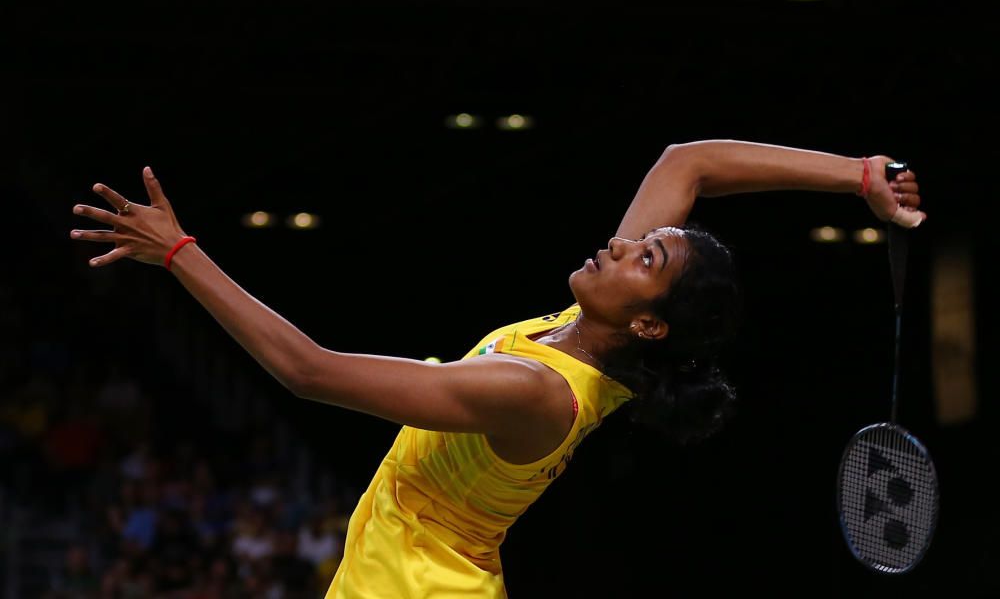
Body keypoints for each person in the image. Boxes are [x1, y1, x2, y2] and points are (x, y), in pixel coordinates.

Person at [70, 140, 926, 597]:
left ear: (650, 322)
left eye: (645, 257)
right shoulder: (583, 333)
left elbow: (309, 371)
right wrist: (858, 176)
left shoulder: (538, 393)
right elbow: (687, 164)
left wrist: (177, 252)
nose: (622, 241)